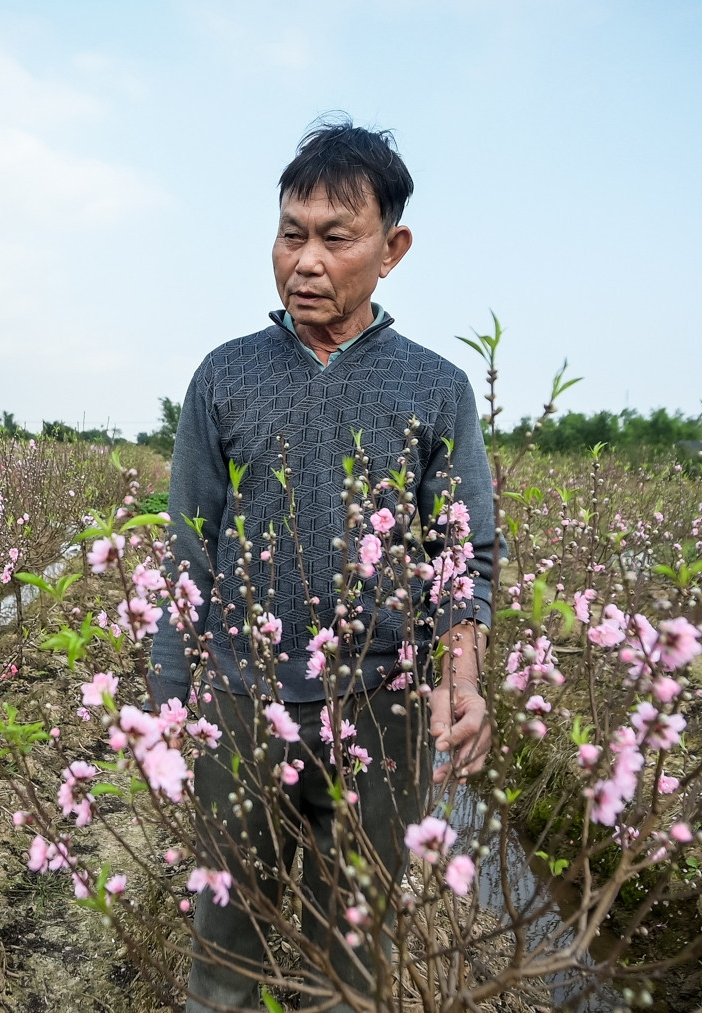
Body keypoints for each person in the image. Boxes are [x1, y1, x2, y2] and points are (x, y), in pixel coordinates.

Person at [149, 119, 499, 1012]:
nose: (305, 260)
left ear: (392, 249)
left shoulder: (437, 388)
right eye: (290, 233)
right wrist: (170, 708)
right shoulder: (224, 377)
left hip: (381, 708)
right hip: (240, 698)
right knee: (224, 949)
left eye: (335, 238)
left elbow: (463, 553)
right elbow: (189, 546)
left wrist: (460, 678)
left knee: (354, 956)